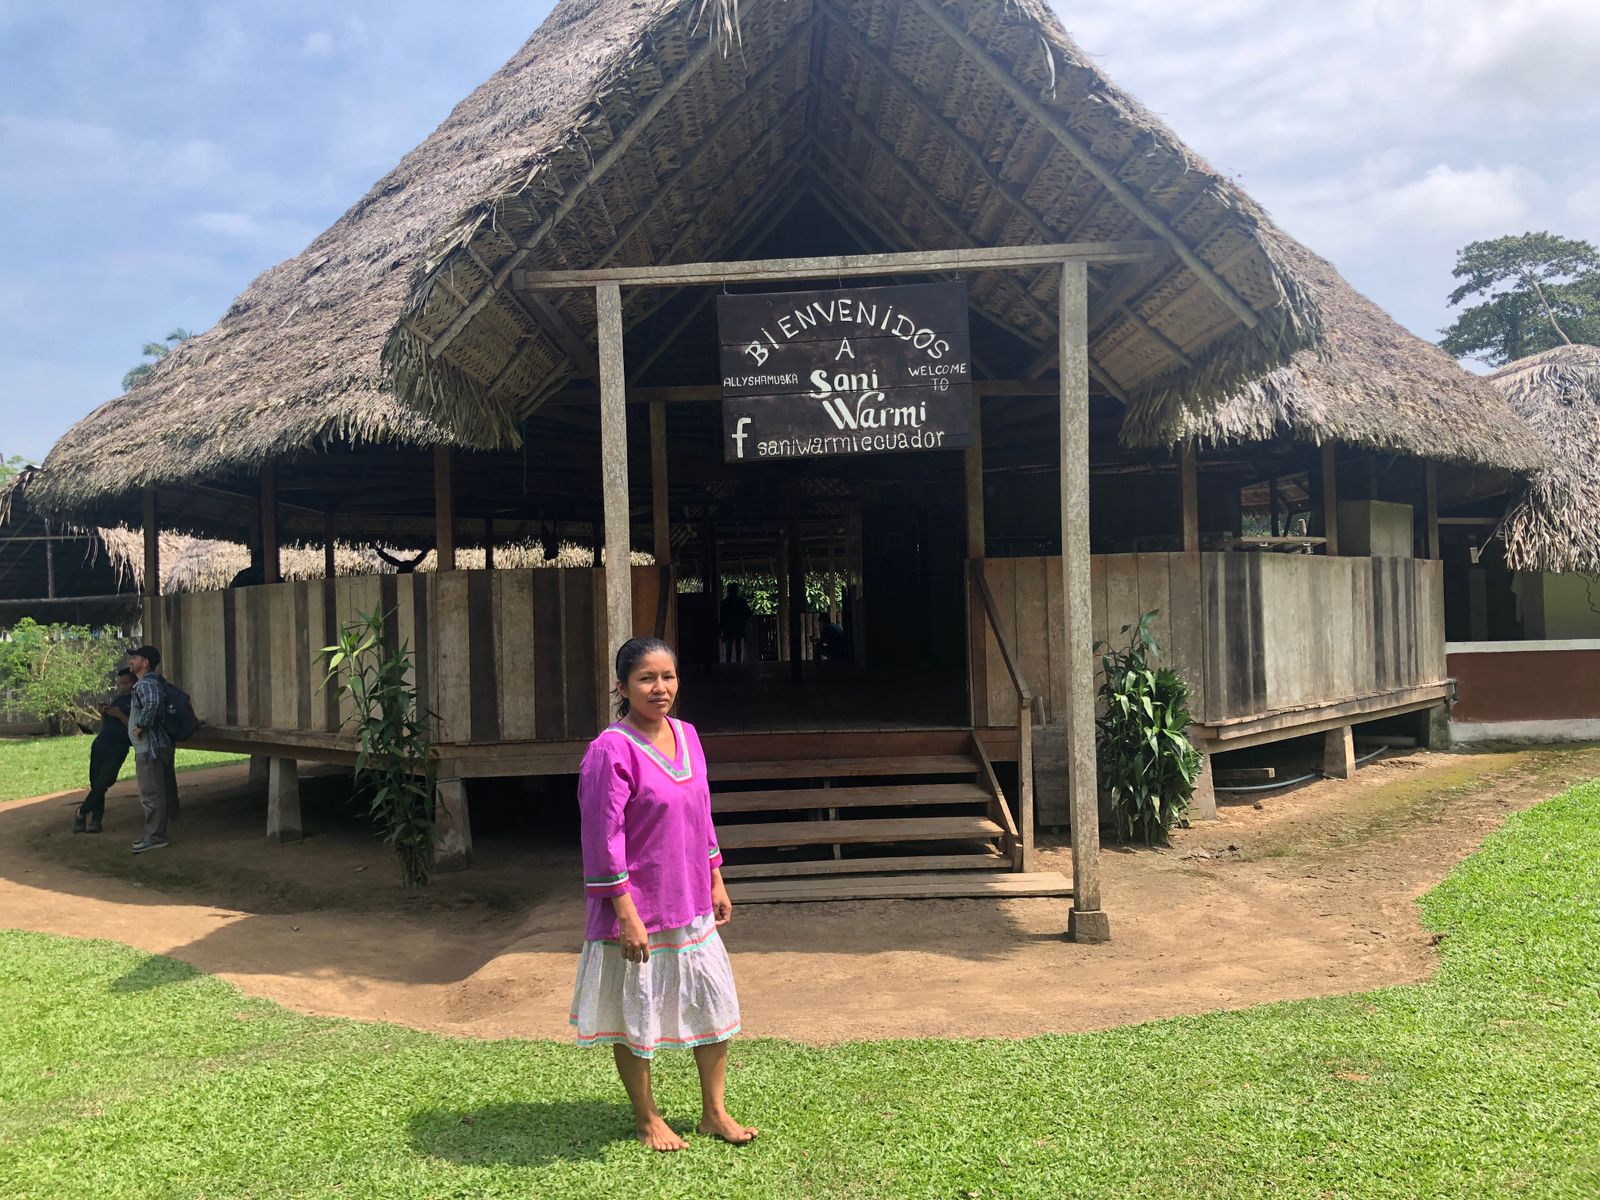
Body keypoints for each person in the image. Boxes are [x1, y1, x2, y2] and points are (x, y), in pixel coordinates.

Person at [569, 637, 756, 1152]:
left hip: (691, 896)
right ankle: (647, 1117)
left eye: (668, 677)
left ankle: (714, 1112)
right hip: (637, 908)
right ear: (622, 686)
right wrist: (624, 912)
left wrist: (715, 877)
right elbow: (601, 840)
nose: (660, 688)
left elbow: (700, 814)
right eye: (647, 679)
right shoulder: (610, 750)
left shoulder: (688, 735)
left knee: (714, 1000)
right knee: (636, 1012)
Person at [126, 644, 178, 854]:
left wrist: (142, 725)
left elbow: (154, 702)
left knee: (151, 794)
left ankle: (155, 836)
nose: (131, 661)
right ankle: (155, 834)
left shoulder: (145, 684)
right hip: (156, 746)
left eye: (135, 658)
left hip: (150, 749)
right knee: (158, 792)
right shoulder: (151, 682)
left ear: (145, 663)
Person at [72, 668, 135, 834]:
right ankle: (95, 821)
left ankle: (82, 812)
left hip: (119, 747)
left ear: (133, 683)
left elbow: (136, 728)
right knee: (96, 785)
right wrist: (105, 713)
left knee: (104, 782)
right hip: (101, 744)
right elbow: (106, 724)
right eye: (120, 684)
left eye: (125, 683)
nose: (122, 687)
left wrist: (120, 715)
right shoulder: (118, 698)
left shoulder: (137, 700)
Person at [718, 583, 752, 664]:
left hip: (728, 628)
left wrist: (720, 630)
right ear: (737, 591)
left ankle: (728, 666)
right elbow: (749, 613)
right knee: (739, 649)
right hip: (739, 628)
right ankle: (739, 666)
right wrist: (741, 620)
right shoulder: (742, 602)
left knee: (728, 649)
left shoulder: (724, 603)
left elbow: (722, 618)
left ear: (728, 591)